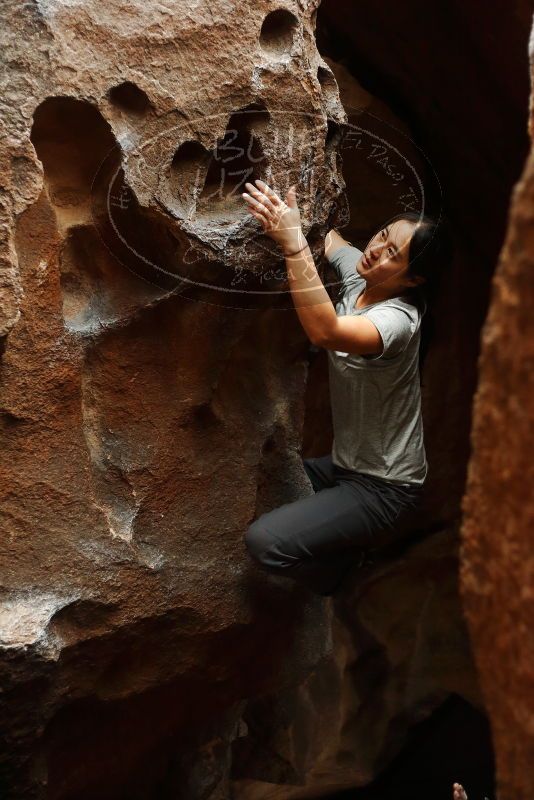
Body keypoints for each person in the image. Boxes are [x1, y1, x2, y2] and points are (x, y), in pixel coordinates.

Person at [241, 179, 453, 596]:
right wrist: (291, 204)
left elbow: (326, 331)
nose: (377, 250)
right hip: (343, 465)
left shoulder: (397, 320)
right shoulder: (362, 278)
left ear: (413, 280)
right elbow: (333, 240)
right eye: (383, 236)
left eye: (393, 254)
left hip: (384, 488)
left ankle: (346, 572)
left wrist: (294, 245)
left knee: (264, 543)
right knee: (255, 478)